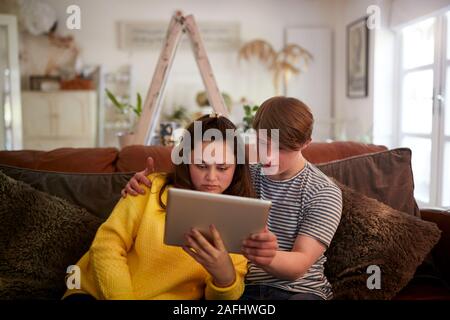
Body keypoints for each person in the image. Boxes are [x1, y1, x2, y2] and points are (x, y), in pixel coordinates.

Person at [123, 96, 343, 300]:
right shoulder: (242, 175)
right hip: (242, 289)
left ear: (306, 143)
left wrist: (264, 256)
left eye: (281, 149)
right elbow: (196, 176)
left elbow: (300, 264)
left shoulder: (323, 192)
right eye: (263, 142)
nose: (268, 155)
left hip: (299, 291)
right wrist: (148, 182)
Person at [63, 114, 257, 300]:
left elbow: (223, 297)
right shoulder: (149, 187)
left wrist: (225, 278)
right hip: (94, 293)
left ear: (237, 167)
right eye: (201, 165)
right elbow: (106, 245)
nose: (211, 178)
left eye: (223, 168)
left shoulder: (238, 218)